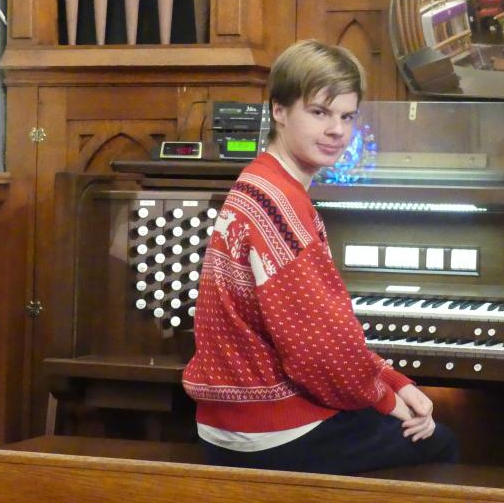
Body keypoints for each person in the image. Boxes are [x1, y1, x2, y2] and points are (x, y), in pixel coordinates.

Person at [183, 40, 458, 474]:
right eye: (319, 112)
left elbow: (323, 341)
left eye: (347, 116)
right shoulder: (282, 206)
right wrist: (387, 400)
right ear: (279, 110)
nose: (337, 131)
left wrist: (392, 380)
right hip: (268, 432)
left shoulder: (258, 182)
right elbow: (318, 354)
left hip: (229, 422)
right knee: (440, 444)